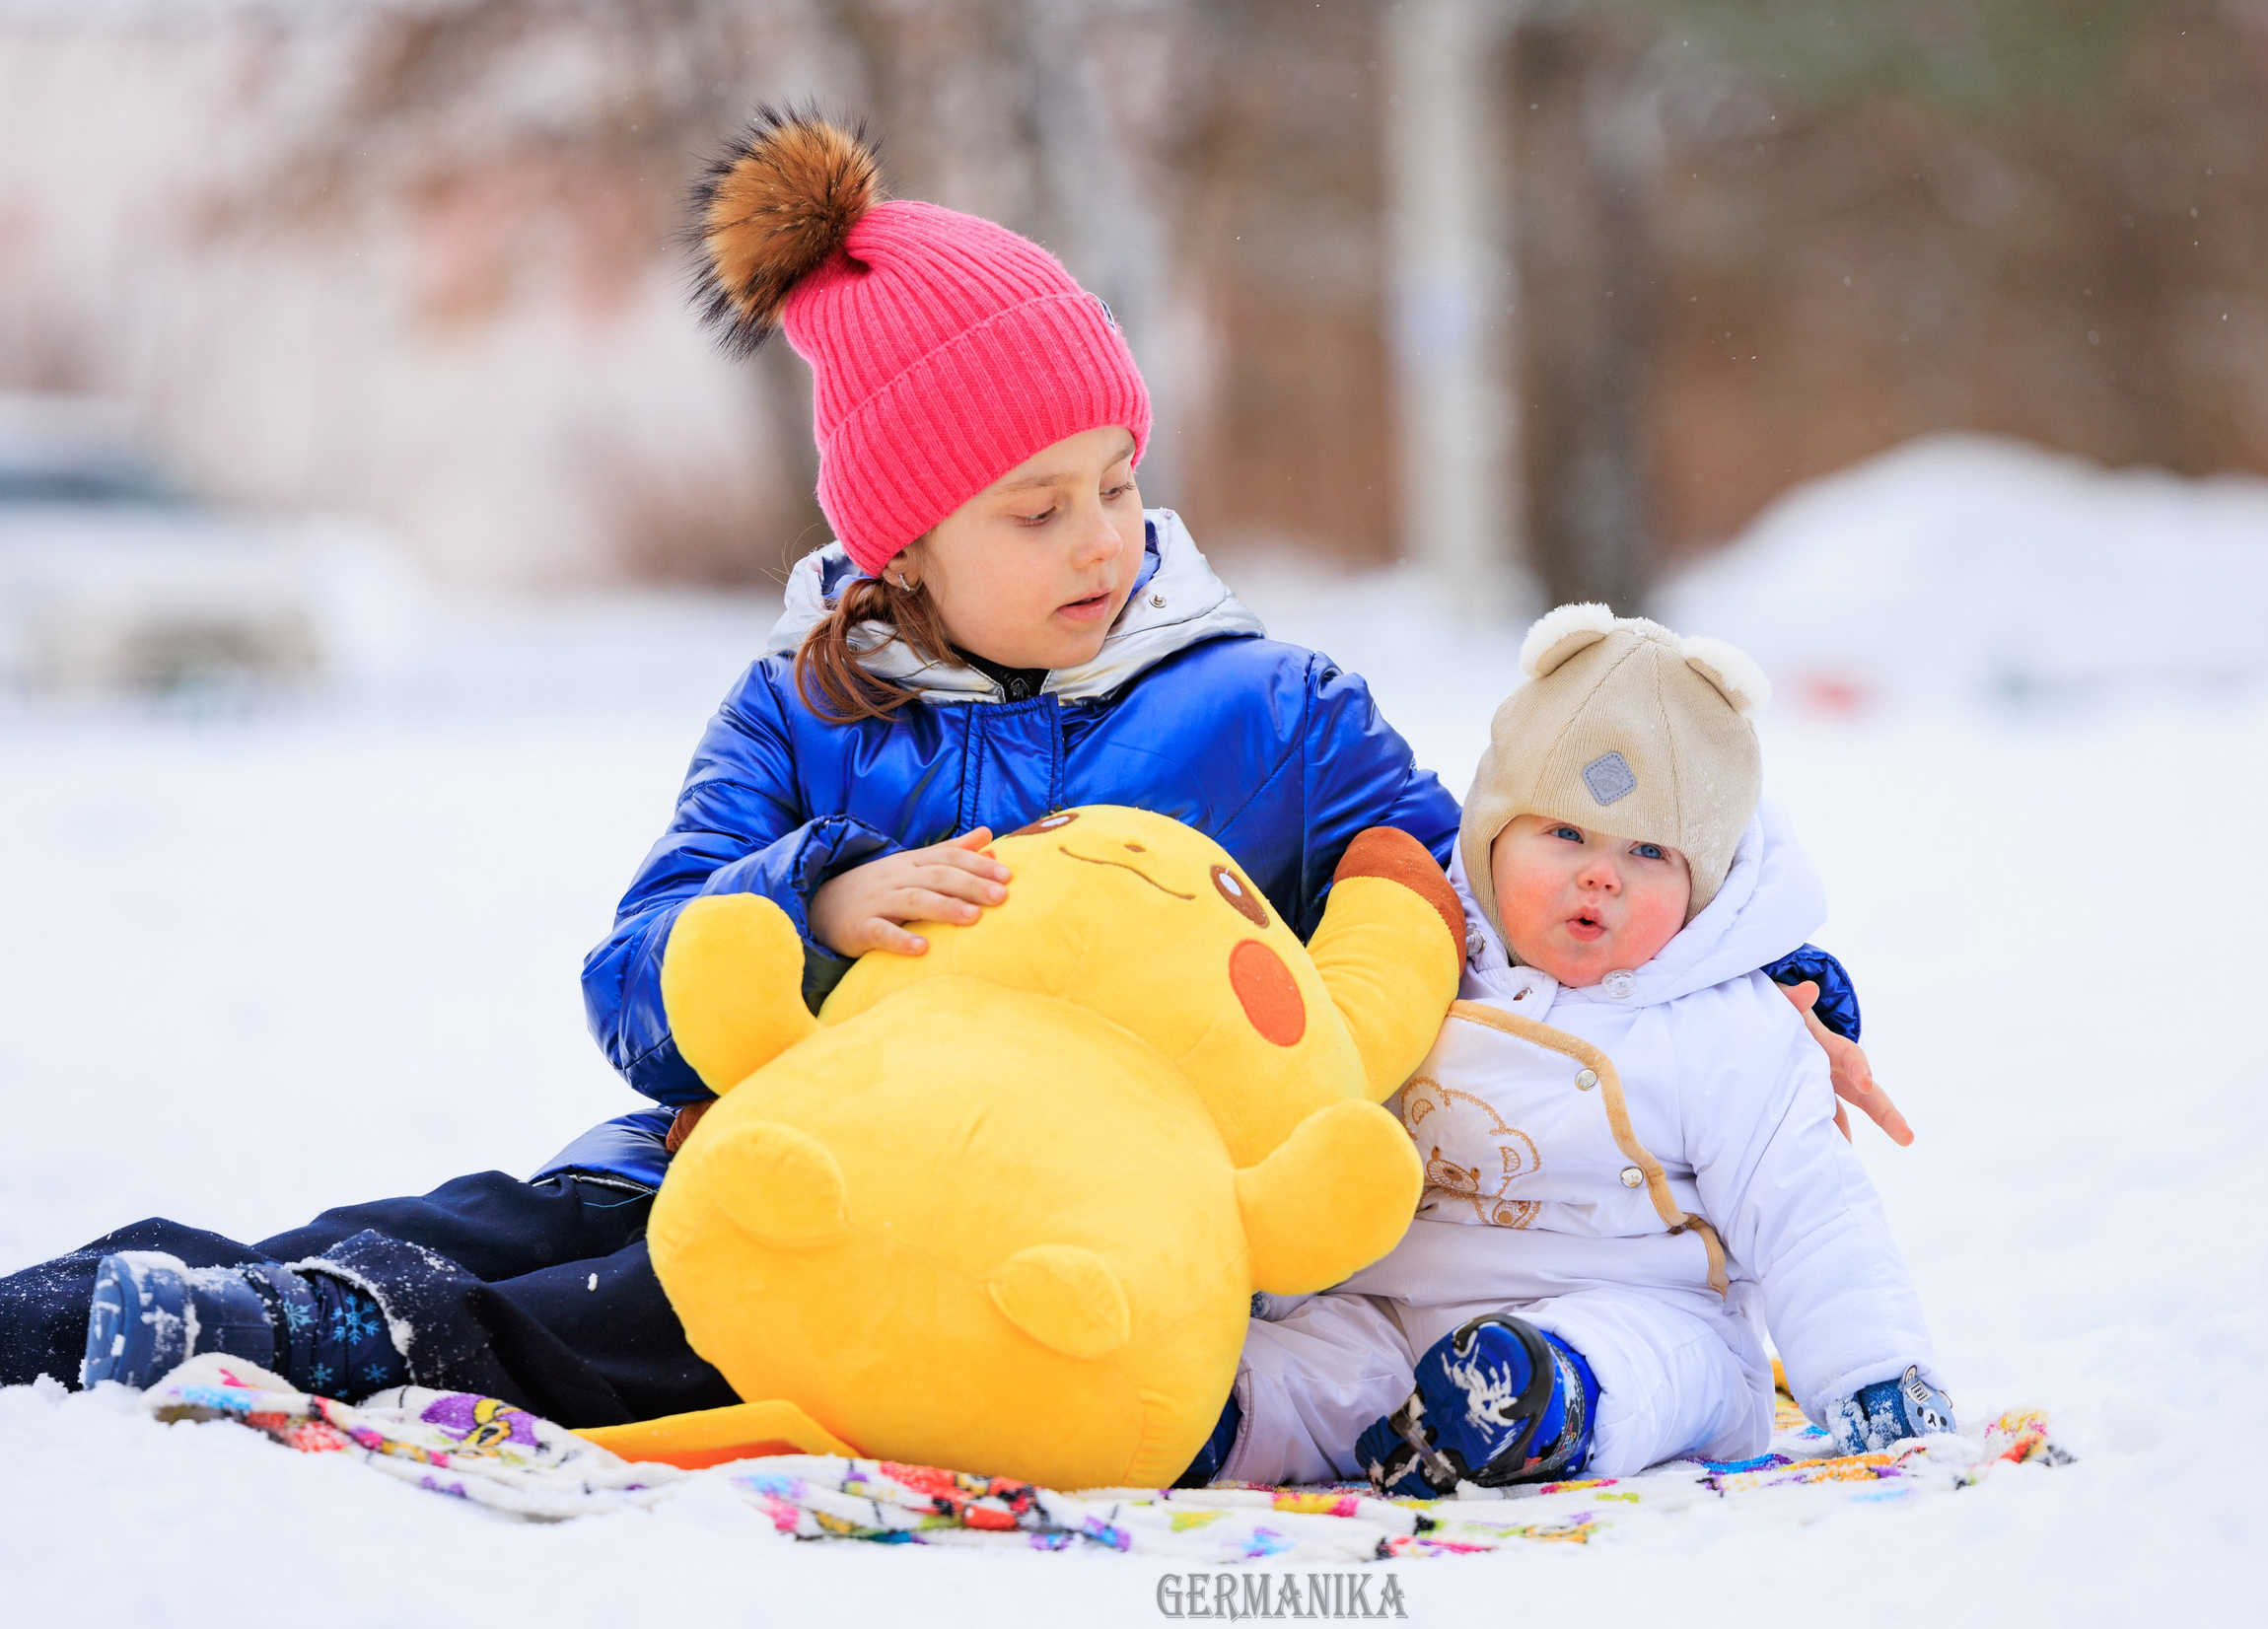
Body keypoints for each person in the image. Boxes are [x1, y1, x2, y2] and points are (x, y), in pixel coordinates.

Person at [2, 111, 1894, 1437]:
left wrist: (1756, 979)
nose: (1103, 538)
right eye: (1038, 506)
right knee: (566, 1204)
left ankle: (355, 1338)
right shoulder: (800, 715)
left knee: (676, 1315)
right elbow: (637, 974)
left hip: (1075, 1208)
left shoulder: (1270, 705)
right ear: (903, 540)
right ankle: (199, 1284)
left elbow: (1493, 878)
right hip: (781, 1135)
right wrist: (806, 900)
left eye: (1119, 482)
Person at [1192, 607, 1950, 1491]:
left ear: (1700, 887)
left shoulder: (1726, 1024)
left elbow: (1809, 1208)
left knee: (1653, 1366)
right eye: (1565, 834)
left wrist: (1875, 1372)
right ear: (1490, 835)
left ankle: (1541, 1404)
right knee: (1315, 1371)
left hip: (1640, 1306)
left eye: (1648, 852)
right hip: (1395, 1308)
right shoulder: (1419, 956)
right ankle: (1209, 1416)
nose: (1602, 874)